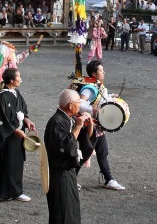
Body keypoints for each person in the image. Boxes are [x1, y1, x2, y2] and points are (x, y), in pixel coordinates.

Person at [77, 60, 125, 191]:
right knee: (85, 153)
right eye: (101, 70)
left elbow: (102, 100)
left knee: (103, 152)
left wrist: (111, 96)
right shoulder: (88, 88)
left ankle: (109, 179)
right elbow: (80, 103)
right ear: (94, 73)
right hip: (88, 127)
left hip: (97, 126)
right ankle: (69, 178)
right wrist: (93, 110)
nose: (104, 72)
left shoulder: (98, 85)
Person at [45, 89, 90, 224]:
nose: (80, 106)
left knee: (72, 210)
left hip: (68, 173)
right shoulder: (56, 122)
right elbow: (66, 147)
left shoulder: (67, 119)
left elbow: (80, 142)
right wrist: (77, 127)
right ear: (70, 105)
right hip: (60, 174)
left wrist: (88, 125)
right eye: (78, 103)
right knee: (62, 212)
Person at [0, 68, 36, 202]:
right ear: (11, 80)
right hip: (9, 135)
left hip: (18, 134)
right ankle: (5, 192)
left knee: (16, 163)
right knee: (8, 163)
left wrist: (27, 120)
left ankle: (15, 191)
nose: (21, 79)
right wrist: (15, 130)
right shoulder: (2, 97)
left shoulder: (16, 92)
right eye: (19, 77)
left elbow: (23, 109)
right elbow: (1, 119)